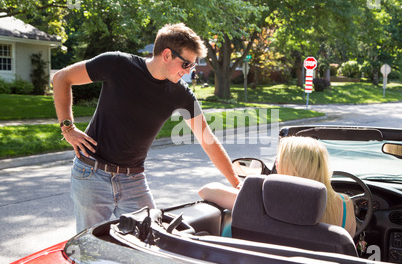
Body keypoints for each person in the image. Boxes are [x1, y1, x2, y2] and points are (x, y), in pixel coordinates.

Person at [53, 23, 240, 232]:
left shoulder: (180, 93)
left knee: (153, 238)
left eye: (192, 66)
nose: (189, 71)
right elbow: (62, 77)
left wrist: (236, 183)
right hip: (91, 174)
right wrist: (68, 128)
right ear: (167, 54)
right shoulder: (117, 64)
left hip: (133, 179)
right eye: (186, 64)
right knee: (92, 248)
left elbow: (207, 139)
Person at [199, 136, 356, 237]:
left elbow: (206, 190)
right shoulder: (345, 205)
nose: (275, 165)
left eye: (278, 161)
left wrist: (245, 192)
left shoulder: (264, 201)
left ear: (286, 167)